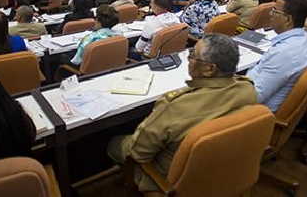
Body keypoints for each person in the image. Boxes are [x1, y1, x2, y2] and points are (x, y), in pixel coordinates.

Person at [107, 34, 256, 193]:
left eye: (192, 55)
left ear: (209, 69)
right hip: (223, 168)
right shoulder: (247, 88)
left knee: (115, 143)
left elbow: (138, 154)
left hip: (171, 181)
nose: (189, 59)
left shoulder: (175, 105)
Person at [247, 0, 307, 111]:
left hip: (254, 110)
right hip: (252, 87)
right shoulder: (303, 38)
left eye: (275, 11)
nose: (270, 14)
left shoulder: (285, 53)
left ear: (288, 19)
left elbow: (255, 96)